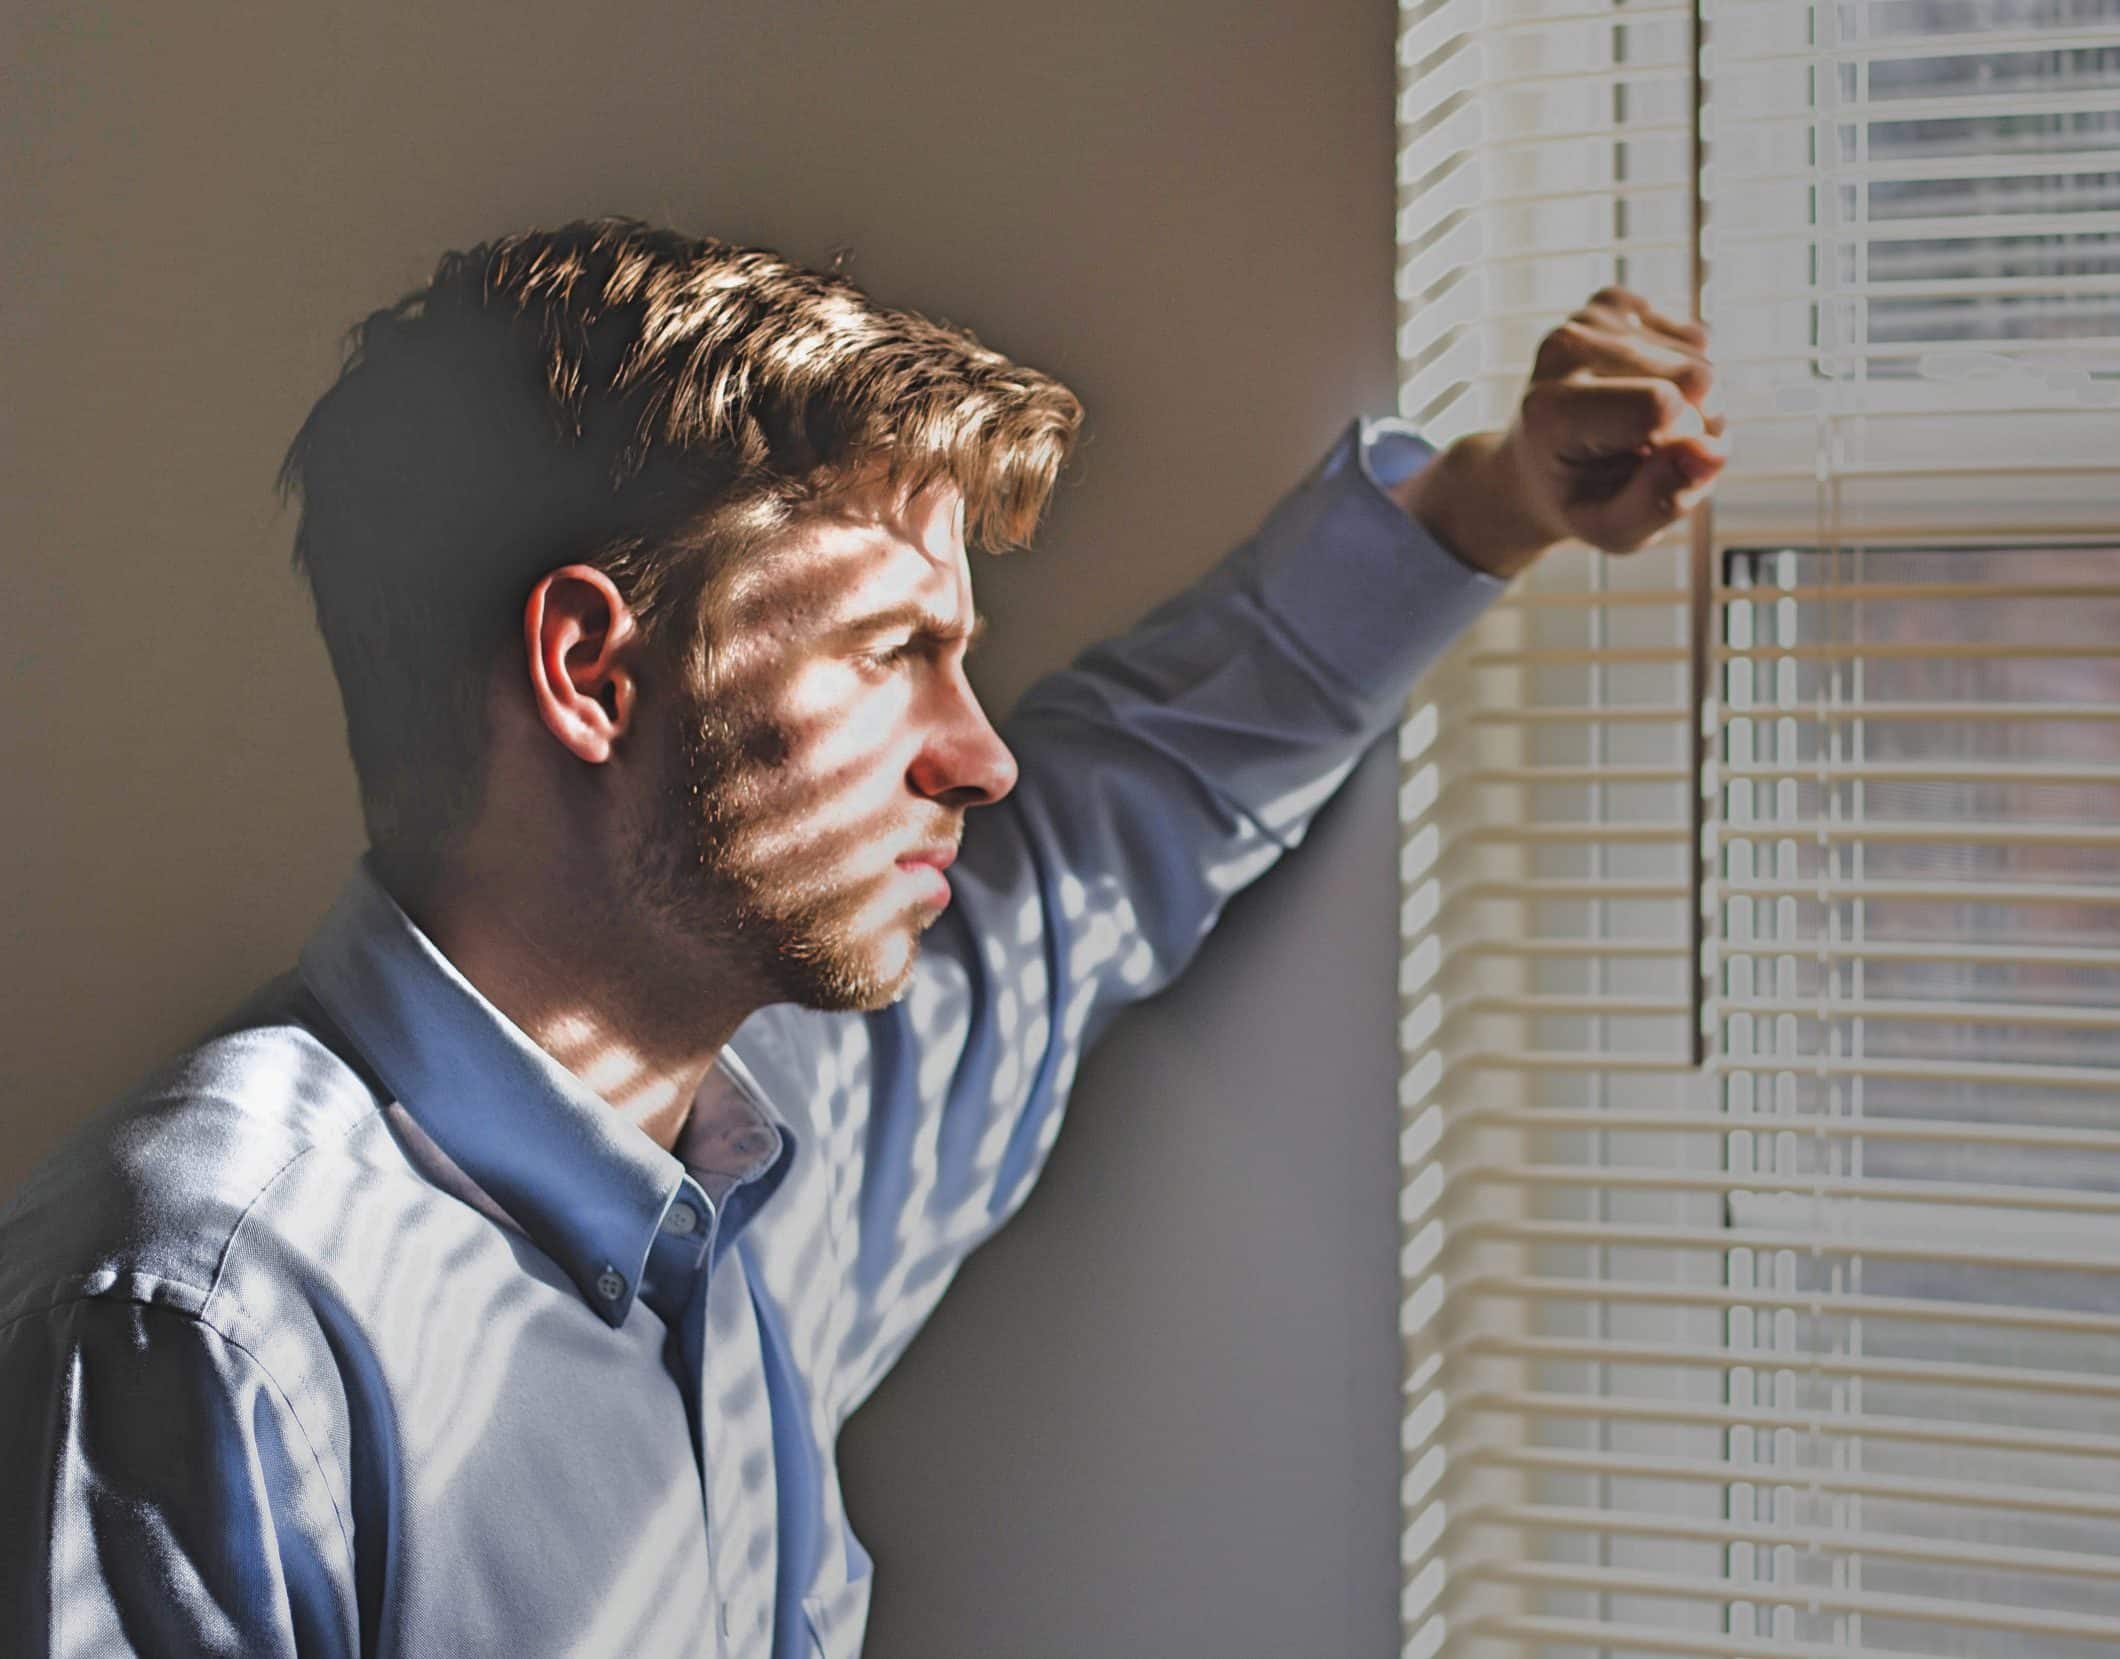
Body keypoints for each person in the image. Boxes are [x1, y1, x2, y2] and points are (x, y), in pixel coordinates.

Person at [0, 218, 1723, 1658]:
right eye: (895, 653)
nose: (978, 754)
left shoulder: (779, 1147)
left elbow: (1126, 822)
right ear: (596, 673)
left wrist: (1494, 505)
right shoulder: (202, 1321)